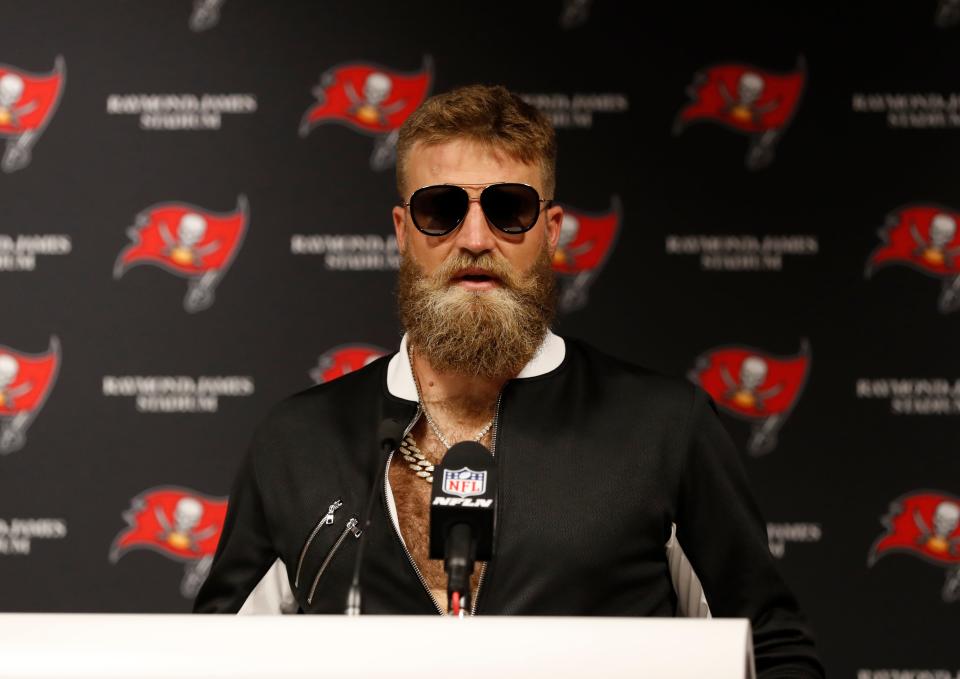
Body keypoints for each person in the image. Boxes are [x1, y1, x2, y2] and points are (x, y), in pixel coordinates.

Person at [194, 84, 824, 678]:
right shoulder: (300, 440)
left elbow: (767, 648)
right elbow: (212, 662)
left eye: (508, 209)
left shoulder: (664, 427)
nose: (474, 238)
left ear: (550, 232)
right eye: (439, 210)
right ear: (401, 232)